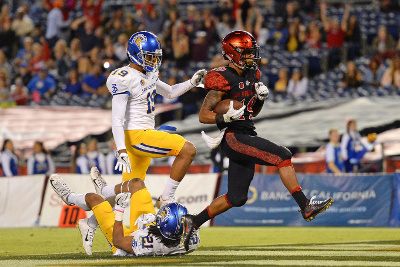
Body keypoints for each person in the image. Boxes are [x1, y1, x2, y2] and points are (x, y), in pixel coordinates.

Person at [181, 30, 333, 251]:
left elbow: (253, 112)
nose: (251, 56)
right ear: (233, 54)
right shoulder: (221, 77)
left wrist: (260, 99)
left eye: (252, 52)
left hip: (246, 133)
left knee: (237, 197)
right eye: (247, 52)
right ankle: (305, 205)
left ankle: (193, 222)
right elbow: (204, 115)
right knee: (283, 155)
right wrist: (224, 117)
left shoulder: (253, 74)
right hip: (232, 137)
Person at [106, 30, 206, 230]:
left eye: (156, 57)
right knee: (187, 149)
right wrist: (121, 149)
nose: (154, 61)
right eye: (149, 57)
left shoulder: (149, 74)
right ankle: (166, 197)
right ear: (135, 54)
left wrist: (191, 82)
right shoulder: (123, 77)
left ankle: (91, 208)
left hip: (141, 134)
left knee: (131, 189)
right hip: (136, 135)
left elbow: (170, 92)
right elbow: (116, 118)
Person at [49, 167, 199, 255]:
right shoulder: (191, 237)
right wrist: (164, 207)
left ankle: (70, 197)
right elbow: (174, 220)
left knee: (93, 199)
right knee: (137, 184)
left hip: (125, 241)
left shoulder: (148, 243)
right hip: (152, 229)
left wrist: (119, 210)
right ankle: (103, 194)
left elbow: (119, 240)